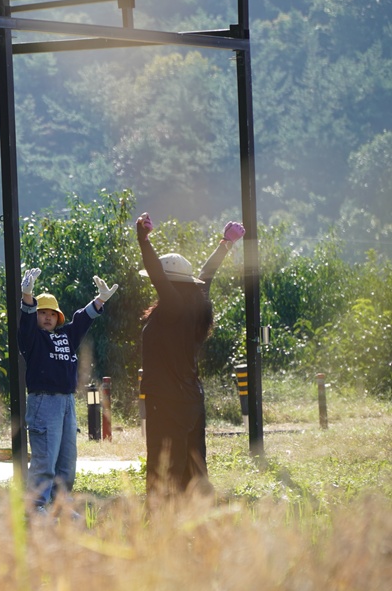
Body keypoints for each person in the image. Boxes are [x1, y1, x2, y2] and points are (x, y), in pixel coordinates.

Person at [136, 212, 245, 497]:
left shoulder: (172, 307)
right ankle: (199, 518)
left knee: (165, 465)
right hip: (191, 399)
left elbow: (157, 275)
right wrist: (225, 244)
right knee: (194, 465)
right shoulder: (196, 303)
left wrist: (143, 240)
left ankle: (165, 523)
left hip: (167, 400)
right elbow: (207, 274)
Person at [18, 267, 118, 509]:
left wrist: (101, 299)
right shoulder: (31, 339)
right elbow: (27, 323)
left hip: (66, 402)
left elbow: (82, 320)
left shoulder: (66, 336)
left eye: (52, 313)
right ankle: (35, 507)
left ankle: (59, 505)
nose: (48, 317)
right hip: (44, 401)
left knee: (66, 459)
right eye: (42, 313)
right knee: (45, 458)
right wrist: (27, 296)